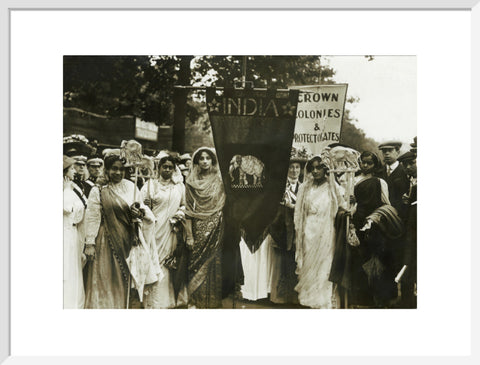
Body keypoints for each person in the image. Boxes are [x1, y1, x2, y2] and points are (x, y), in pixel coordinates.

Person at [83, 154, 159, 309]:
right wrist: (90, 243)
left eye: (121, 170)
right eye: (114, 169)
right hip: (106, 239)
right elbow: (92, 217)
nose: (118, 173)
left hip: (128, 237)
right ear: (107, 169)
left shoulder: (131, 187)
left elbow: (143, 210)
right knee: (106, 277)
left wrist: (139, 214)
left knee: (127, 277)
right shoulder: (98, 190)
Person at [348, 151, 401, 308]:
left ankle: (380, 300)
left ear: (375, 164)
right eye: (363, 162)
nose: (365, 165)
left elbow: (386, 204)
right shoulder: (355, 179)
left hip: (374, 226)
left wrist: (375, 219)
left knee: (376, 263)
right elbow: (351, 204)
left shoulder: (380, 182)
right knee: (359, 260)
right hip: (357, 223)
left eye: (368, 163)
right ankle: (362, 299)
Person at [294, 155, 346, 308]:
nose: (315, 171)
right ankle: (310, 300)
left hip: (326, 231)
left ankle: (323, 300)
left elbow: (342, 206)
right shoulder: (305, 188)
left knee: (325, 264)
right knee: (309, 264)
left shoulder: (333, 187)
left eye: (319, 168)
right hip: (308, 231)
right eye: (313, 168)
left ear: (325, 169)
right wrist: (299, 230)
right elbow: (298, 212)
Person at [141, 152, 187, 309]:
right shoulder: (149, 185)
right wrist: (145, 207)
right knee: (153, 261)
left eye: (170, 168)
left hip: (171, 229)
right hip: (153, 229)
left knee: (167, 262)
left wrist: (178, 215)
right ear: (159, 168)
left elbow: (185, 205)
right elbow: (140, 206)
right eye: (164, 167)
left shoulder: (179, 187)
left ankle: (167, 300)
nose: (167, 170)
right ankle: (151, 301)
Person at [185, 147, 226, 308]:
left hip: (217, 224)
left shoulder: (220, 181)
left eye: (207, 158)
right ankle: (195, 301)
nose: (204, 161)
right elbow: (188, 210)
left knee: (214, 262)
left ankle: (212, 302)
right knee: (196, 262)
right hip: (198, 226)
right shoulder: (190, 182)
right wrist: (189, 235)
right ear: (196, 162)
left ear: (213, 161)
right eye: (201, 158)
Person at [268, 149, 307, 305]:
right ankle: (281, 298)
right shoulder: (279, 188)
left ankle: (297, 298)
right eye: (291, 167)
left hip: (300, 230)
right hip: (282, 230)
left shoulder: (304, 187)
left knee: (298, 263)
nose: (294, 170)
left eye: (297, 167)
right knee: (282, 264)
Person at [63, 156, 86, 309]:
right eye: (71, 169)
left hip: (72, 233)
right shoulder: (65, 190)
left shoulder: (71, 187)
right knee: (65, 268)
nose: (74, 171)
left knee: (73, 268)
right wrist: (65, 190)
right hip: (64, 233)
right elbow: (67, 208)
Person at [397, 150, 417, 308]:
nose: (409, 167)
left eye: (412, 163)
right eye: (406, 165)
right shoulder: (408, 181)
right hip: (410, 230)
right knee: (408, 264)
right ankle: (407, 302)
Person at [378, 141, 410, 219]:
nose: (387, 154)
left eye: (390, 150)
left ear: (397, 152)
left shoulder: (405, 172)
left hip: (400, 216)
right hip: (380, 215)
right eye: (384, 151)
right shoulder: (378, 172)